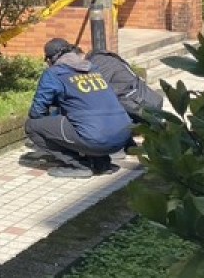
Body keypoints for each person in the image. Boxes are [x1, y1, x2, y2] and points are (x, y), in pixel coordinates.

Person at [25, 38, 133, 178]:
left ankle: (79, 165)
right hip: (123, 136)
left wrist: (53, 113)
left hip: (96, 138)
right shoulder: (93, 69)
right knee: (85, 119)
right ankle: (102, 164)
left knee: (32, 126)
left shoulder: (54, 73)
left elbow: (37, 112)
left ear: (51, 59)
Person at [86, 49, 164, 124]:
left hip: (140, 105)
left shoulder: (99, 62)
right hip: (147, 101)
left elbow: (97, 91)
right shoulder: (107, 58)